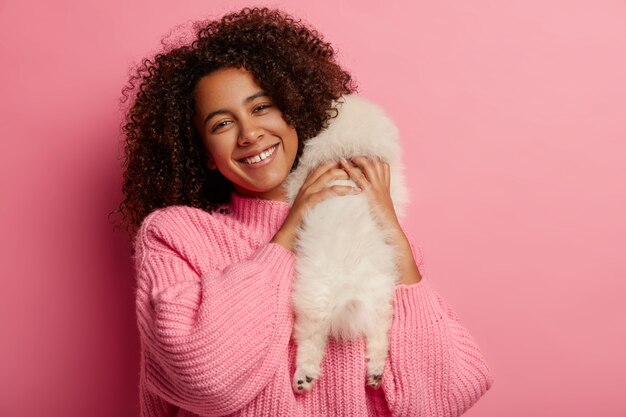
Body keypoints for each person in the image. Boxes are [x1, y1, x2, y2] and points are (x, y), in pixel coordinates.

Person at [115, 7, 493, 417]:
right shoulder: (176, 235)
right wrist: (290, 232)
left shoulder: (363, 235)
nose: (249, 133)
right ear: (206, 153)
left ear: (294, 110)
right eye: (222, 124)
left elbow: (448, 395)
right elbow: (206, 378)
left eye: (261, 108)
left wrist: (389, 233)